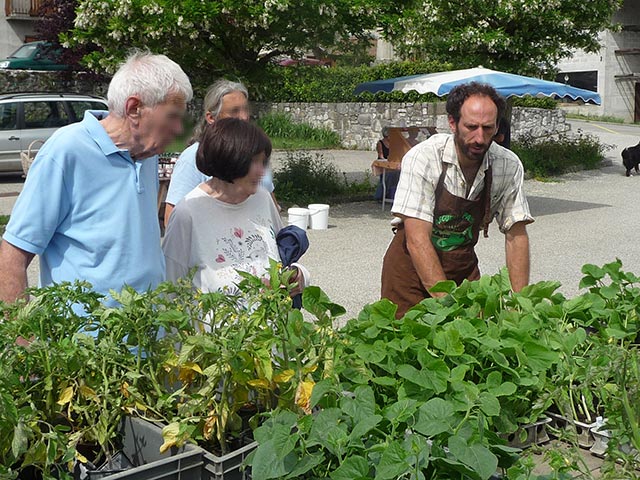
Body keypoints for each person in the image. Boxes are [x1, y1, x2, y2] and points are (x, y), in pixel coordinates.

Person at [0, 51, 192, 304]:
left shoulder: (146, 154)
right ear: (134, 108)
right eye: (172, 117)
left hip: (147, 334)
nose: (179, 129)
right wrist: (25, 340)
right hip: (86, 341)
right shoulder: (67, 151)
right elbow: (12, 256)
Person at [381, 82, 533, 318]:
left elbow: (517, 234)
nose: (480, 138)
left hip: (462, 271)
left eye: (488, 128)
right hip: (409, 275)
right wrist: (449, 308)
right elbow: (417, 239)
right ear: (453, 123)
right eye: (471, 127)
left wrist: (520, 304)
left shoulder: (508, 164)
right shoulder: (424, 157)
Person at [162, 118, 308, 298]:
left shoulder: (262, 198)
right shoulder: (188, 212)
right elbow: (169, 289)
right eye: (255, 162)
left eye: (263, 162)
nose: (262, 171)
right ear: (230, 160)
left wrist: (298, 276)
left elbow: (282, 258)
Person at [164, 79, 278, 227]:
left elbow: (270, 205)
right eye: (234, 111)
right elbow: (172, 218)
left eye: (245, 109)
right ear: (211, 118)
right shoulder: (193, 157)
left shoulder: (256, 155)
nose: (244, 117)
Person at [372, 126, 400, 201]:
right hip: (384, 164)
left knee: (397, 174)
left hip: (392, 163)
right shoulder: (380, 143)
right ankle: (381, 195)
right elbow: (380, 155)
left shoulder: (393, 143)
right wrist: (386, 159)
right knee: (386, 177)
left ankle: (391, 194)